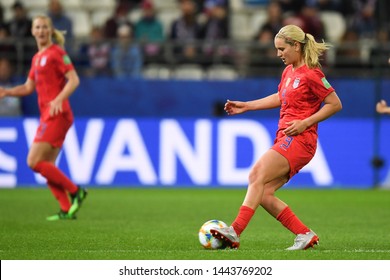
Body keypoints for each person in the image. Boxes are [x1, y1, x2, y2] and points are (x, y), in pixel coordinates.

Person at [210, 24, 342, 250]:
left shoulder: (312, 74)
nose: (278, 54)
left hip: (301, 140)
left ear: (296, 46)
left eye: (282, 49)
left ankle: (234, 231)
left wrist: (306, 122)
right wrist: (247, 106)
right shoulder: (289, 71)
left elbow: (335, 104)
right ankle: (304, 234)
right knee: (263, 193)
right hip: (285, 137)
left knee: (256, 174)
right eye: (277, 49)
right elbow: (282, 96)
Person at [0, 15, 87, 221]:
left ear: (50, 30)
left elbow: (74, 80)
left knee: (33, 161)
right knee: (46, 165)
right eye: (37, 27)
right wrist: (7, 92)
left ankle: (76, 191)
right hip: (48, 114)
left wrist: (59, 99)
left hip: (58, 114)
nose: (41, 31)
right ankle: (66, 209)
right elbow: (29, 87)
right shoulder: (37, 58)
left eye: (44, 27)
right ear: (32, 31)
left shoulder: (57, 53)